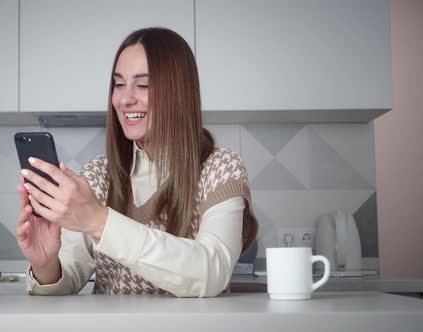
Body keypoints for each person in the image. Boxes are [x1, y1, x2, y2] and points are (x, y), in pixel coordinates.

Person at [15, 27, 258, 297]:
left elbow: (212, 272)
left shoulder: (221, 169)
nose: (125, 99)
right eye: (119, 84)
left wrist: (99, 221)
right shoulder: (98, 175)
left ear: (178, 92)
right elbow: (65, 279)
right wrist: (46, 264)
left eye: (143, 85)